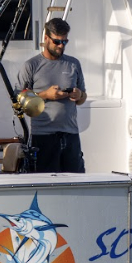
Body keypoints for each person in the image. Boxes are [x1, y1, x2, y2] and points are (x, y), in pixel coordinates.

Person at [20, 17, 86, 173]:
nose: (61, 46)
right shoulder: (31, 65)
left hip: (70, 135)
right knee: (46, 184)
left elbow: (82, 99)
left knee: (76, 182)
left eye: (64, 42)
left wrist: (79, 95)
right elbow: (19, 100)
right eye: (57, 42)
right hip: (42, 136)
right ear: (46, 38)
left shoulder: (73, 63)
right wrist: (46, 95)